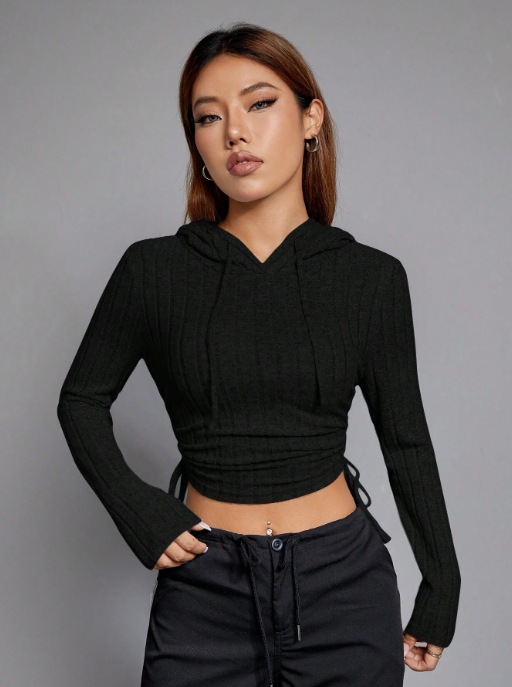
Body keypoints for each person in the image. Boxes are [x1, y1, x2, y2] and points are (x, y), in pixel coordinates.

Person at [56, 21, 461, 687]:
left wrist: (442, 583)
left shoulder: (370, 278)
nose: (235, 133)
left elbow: (407, 441)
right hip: (204, 587)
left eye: (259, 104)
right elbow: (80, 400)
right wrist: (138, 508)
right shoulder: (153, 271)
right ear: (197, 142)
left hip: (344, 583)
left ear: (311, 119)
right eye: (208, 117)